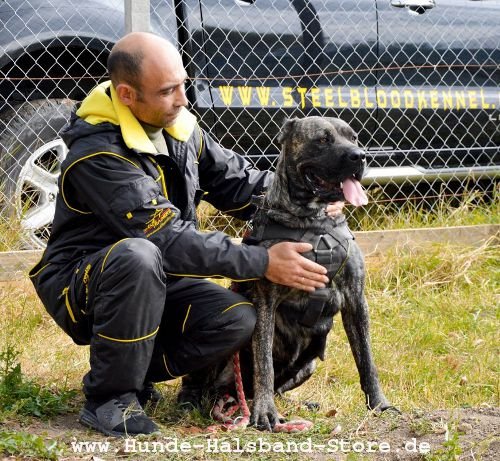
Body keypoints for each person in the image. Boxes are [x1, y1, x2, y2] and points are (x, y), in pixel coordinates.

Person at [29, 32, 343, 437]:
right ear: (127, 94)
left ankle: (136, 370)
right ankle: (110, 397)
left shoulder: (181, 128)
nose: (182, 99)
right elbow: (166, 238)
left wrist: (313, 192)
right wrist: (264, 261)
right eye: (166, 91)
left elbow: (241, 184)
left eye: (182, 84)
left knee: (237, 320)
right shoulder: (98, 154)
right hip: (84, 286)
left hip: (158, 279)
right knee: (137, 256)